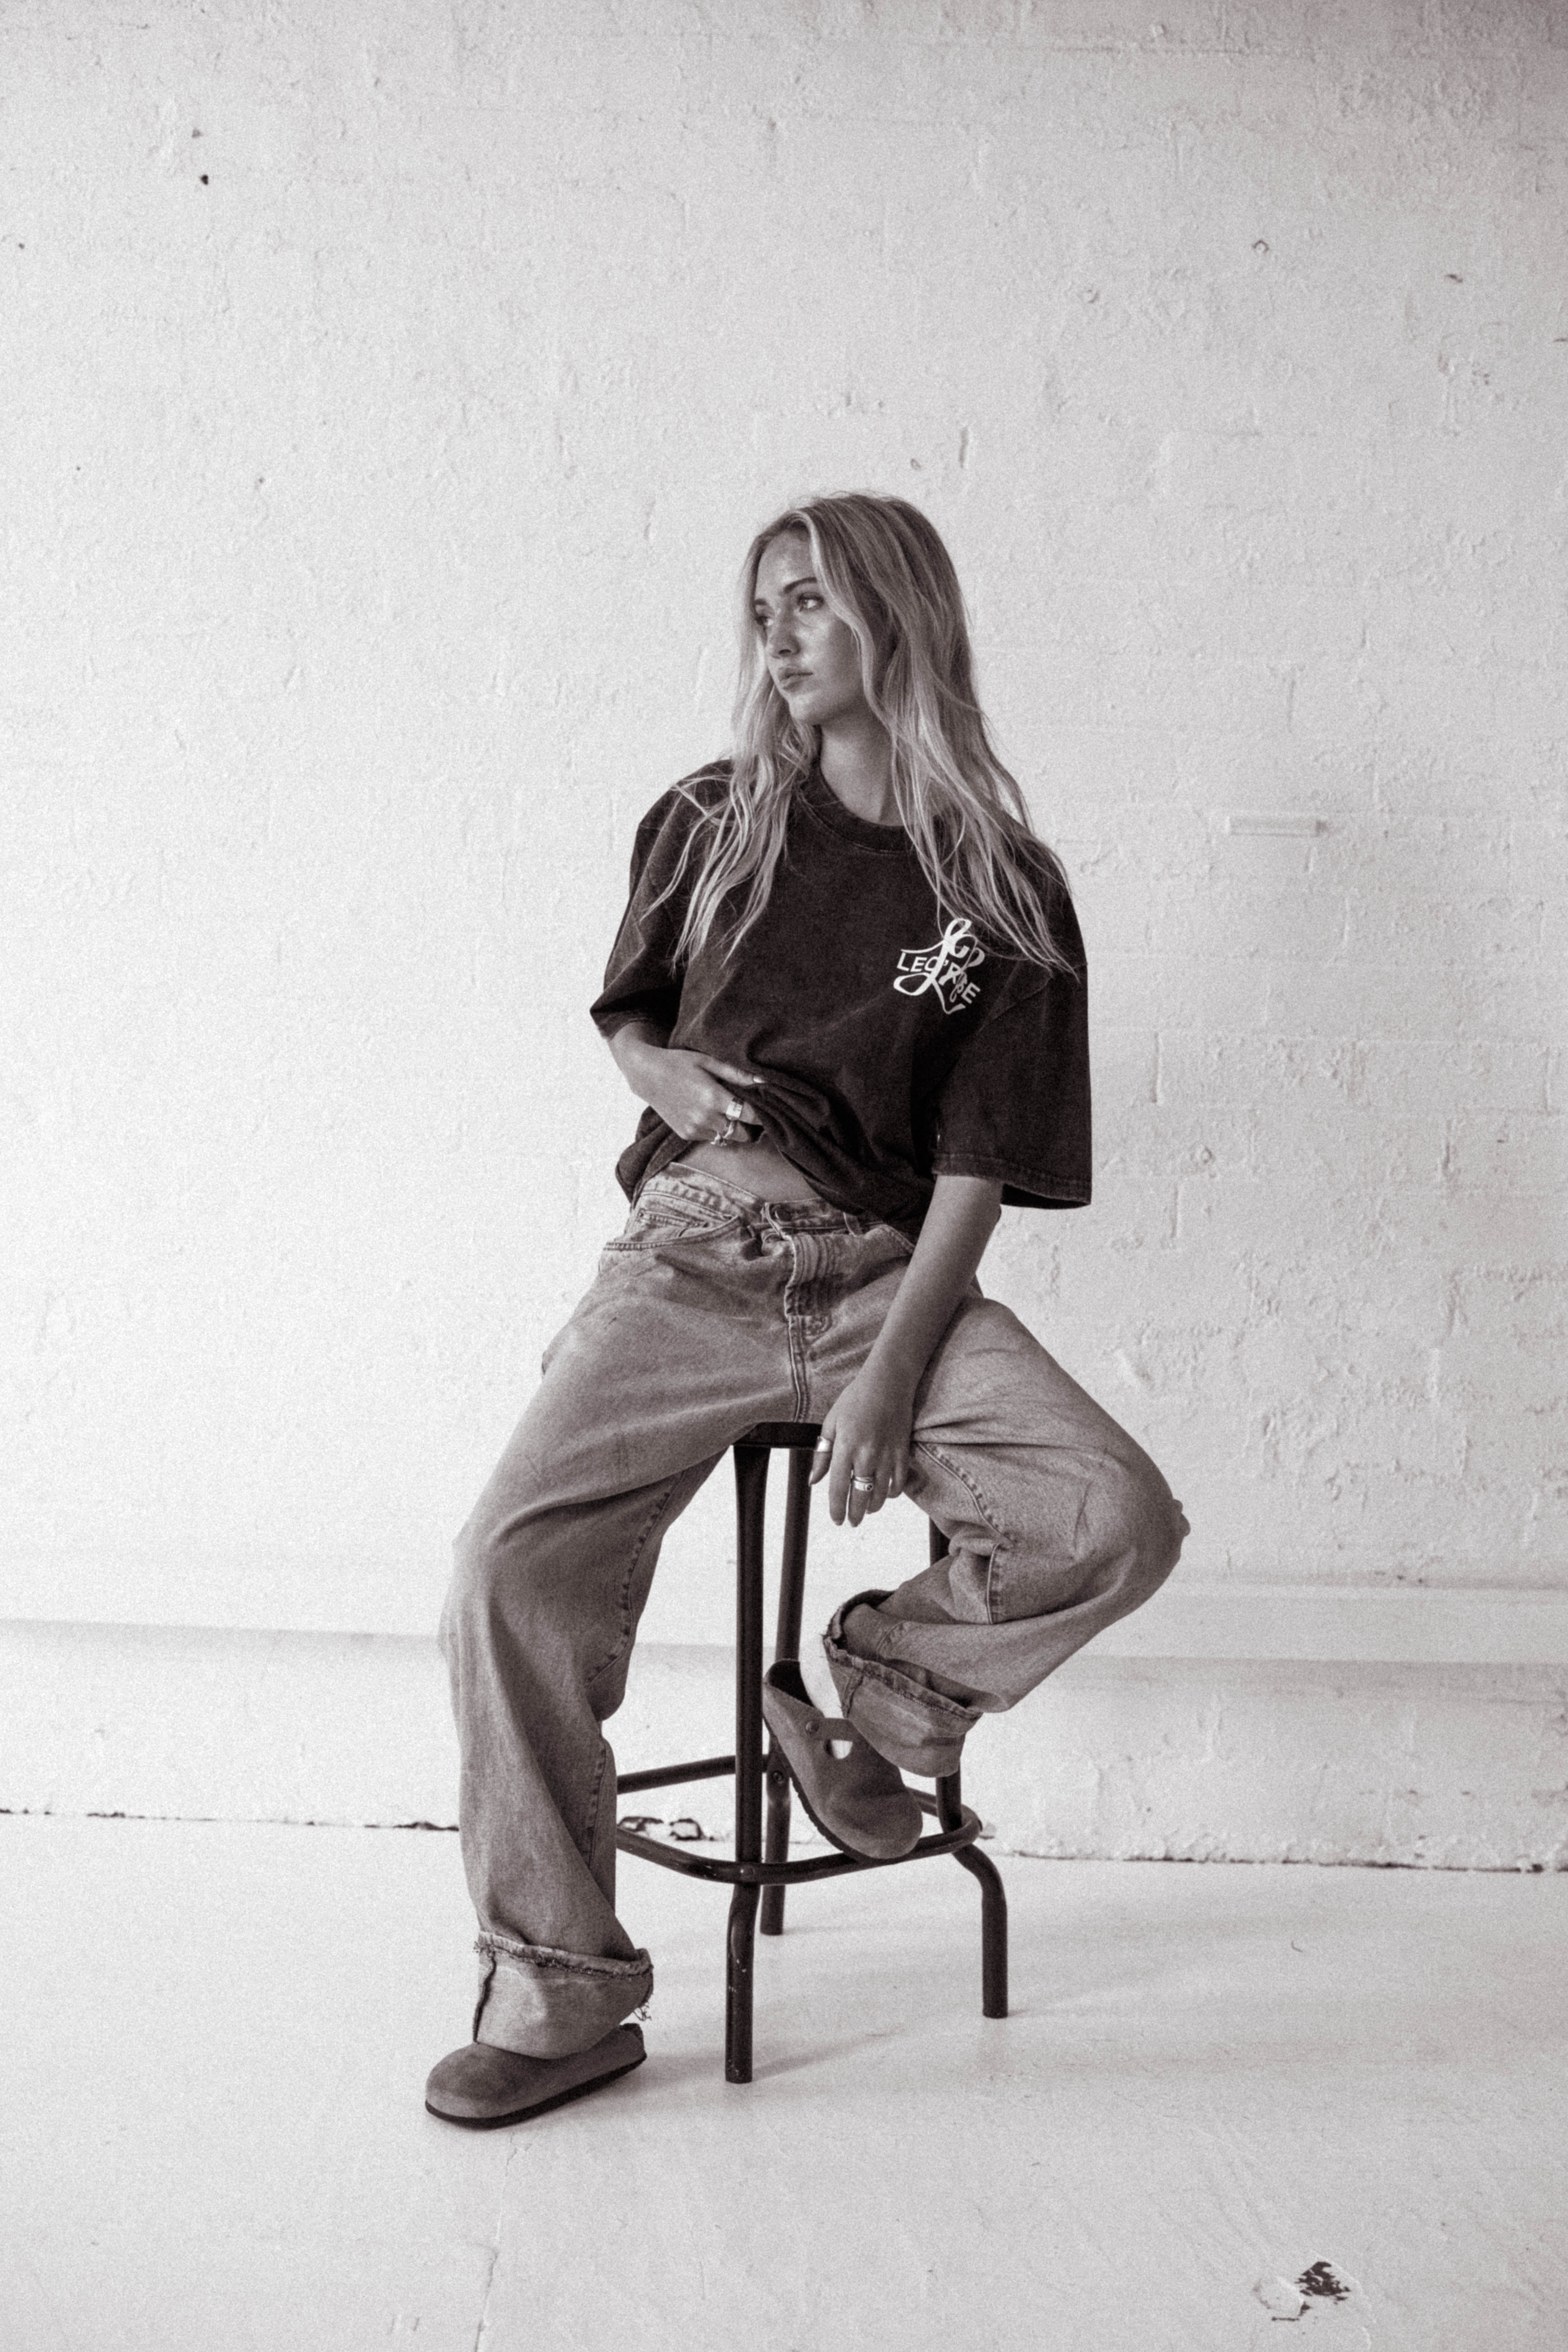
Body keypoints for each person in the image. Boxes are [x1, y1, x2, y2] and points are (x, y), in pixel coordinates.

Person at [425, 493, 1189, 2129]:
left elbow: (977, 1171)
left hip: (879, 1275)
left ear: (895, 625)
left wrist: (891, 1375)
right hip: (691, 1258)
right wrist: (655, 1073)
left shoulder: (1002, 887)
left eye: (810, 607)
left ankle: (874, 1697)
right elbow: (627, 1018)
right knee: (505, 1575)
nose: (772, 638)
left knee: (1113, 1514)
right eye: (761, 608)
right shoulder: (708, 821)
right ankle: (559, 1994)